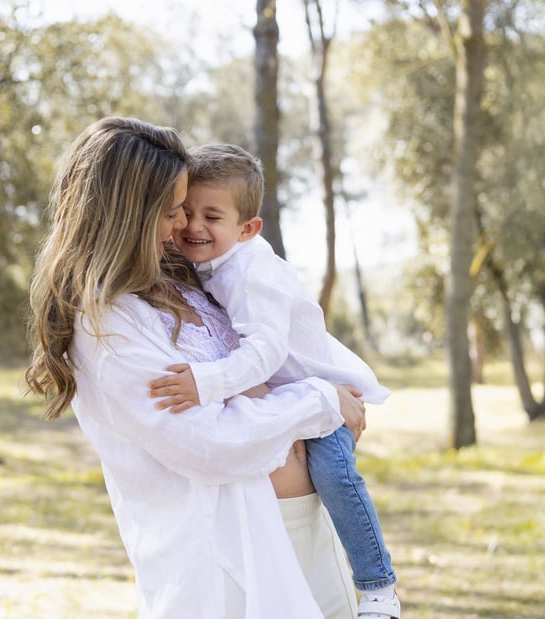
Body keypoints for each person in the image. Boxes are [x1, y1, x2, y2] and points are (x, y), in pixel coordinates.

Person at [25, 116, 368, 618]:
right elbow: (208, 443)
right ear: (127, 216)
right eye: (170, 213)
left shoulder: (186, 279)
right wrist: (321, 402)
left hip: (301, 521)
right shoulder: (107, 325)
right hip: (225, 556)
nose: (182, 226)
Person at [148, 143, 400, 619]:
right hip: (297, 401)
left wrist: (206, 381)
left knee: (337, 478)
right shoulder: (210, 263)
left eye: (212, 216)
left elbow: (264, 354)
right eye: (186, 212)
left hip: (324, 392)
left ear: (248, 228)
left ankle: (378, 585)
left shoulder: (250, 272)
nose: (193, 226)